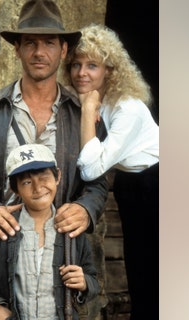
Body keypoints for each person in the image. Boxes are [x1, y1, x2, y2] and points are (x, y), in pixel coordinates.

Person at [0, 0, 108, 271]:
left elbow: (98, 181)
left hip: (58, 262)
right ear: (17, 49)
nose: (39, 52)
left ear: (63, 51)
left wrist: (85, 209)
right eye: (30, 43)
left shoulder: (83, 115)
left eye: (49, 43)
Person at [62, 23, 160, 319]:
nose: (82, 73)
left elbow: (91, 168)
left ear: (109, 70)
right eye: (76, 65)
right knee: (140, 270)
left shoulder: (127, 108)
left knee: (158, 271)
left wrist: (88, 110)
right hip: (134, 185)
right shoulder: (96, 102)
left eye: (92, 65)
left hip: (159, 184)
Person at [0, 144, 100, 320]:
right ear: (14, 188)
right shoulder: (2, 227)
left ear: (58, 176)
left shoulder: (71, 229)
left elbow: (93, 280)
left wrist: (84, 283)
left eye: (44, 177)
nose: (37, 187)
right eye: (26, 182)